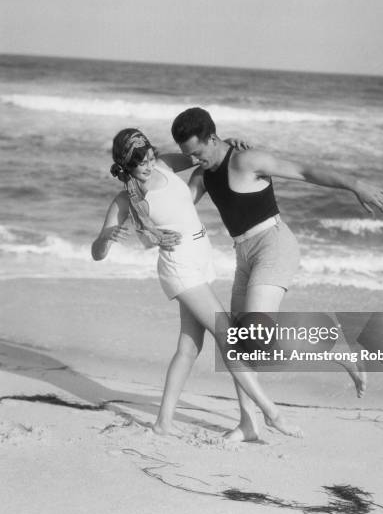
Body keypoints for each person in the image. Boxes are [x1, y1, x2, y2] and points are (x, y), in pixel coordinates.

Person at [171, 107, 383, 442]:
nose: (195, 160)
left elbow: (304, 170)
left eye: (197, 152)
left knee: (256, 333)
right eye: (189, 155)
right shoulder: (202, 174)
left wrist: (355, 184)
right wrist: (144, 179)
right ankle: (248, 424)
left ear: (212, 138)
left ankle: (335, 348)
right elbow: (177, 210)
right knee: (238, 343)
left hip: (274, 245)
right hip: (244, 254)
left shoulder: (245, 160)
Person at [91, 128, 302, 439]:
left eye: (150, 157)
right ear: (126, 167)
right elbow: (97, 252)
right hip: (179, 268)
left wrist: (232, 141)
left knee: (189, 347)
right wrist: (106, 238)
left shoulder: (164, 164)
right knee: (227, 333)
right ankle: (271, 413)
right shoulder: (125, 200)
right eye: (141, 164)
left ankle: (163, 423)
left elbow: (203, 153)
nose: (149, 165)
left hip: (200, 260)